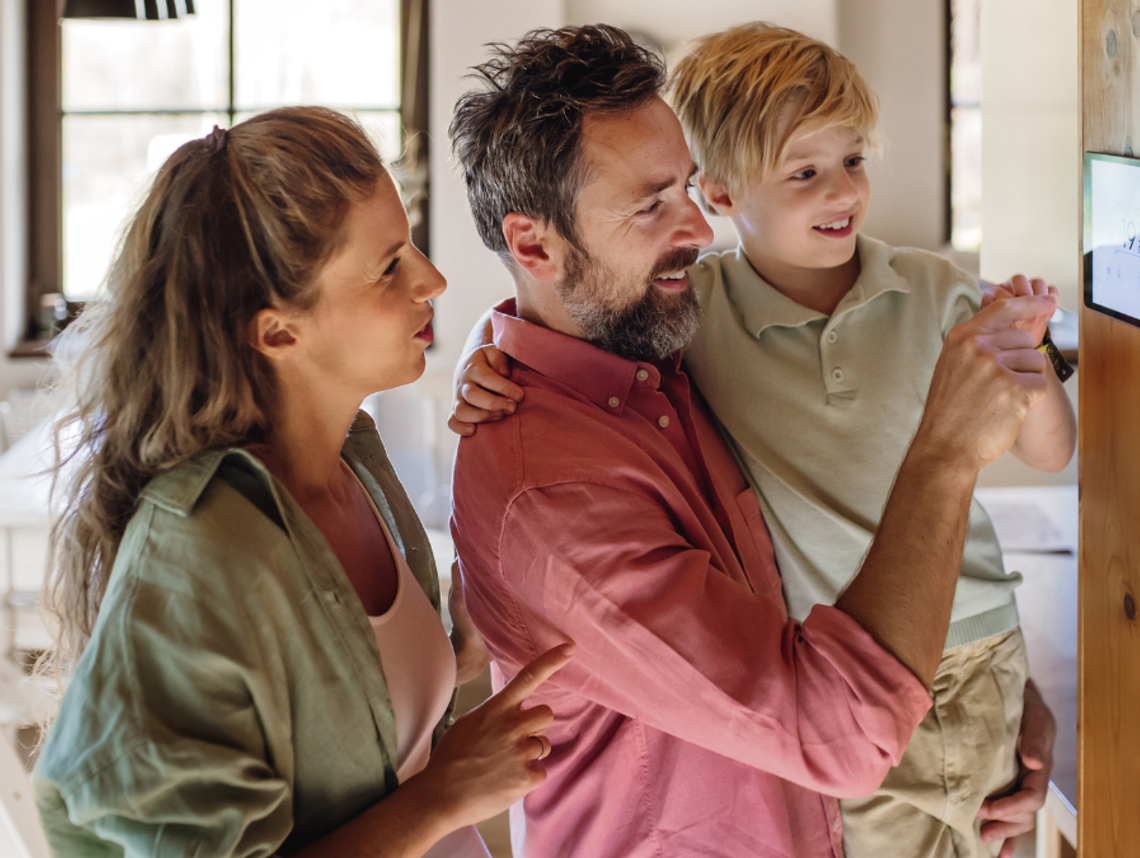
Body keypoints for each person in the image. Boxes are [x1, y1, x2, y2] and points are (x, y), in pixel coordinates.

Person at [458, 23, 1071, 858]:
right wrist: (948, 454)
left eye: (682, 190)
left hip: (948, 684)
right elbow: (843, 736)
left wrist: (993, 674)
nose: (696, 231)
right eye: (652, 203)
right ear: (534, 245)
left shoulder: (654, 345)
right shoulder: (567, 477)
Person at [32, 106, 572, 858]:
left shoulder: (355, 465)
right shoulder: (197, 555)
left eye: (410, 243)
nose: (433, 280)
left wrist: (462, 650)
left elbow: (371, 739)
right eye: (389, 267)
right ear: (278, 331)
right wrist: (443, 796)